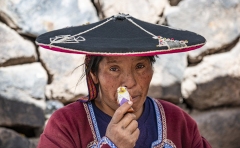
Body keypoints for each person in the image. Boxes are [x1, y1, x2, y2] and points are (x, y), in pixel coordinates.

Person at [36, 13, 212, 148]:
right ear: (94, 75)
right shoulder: (66, 124)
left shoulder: (178, 121)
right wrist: (112, 144)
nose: (129, 82)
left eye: (140, 66)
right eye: (114, 69)